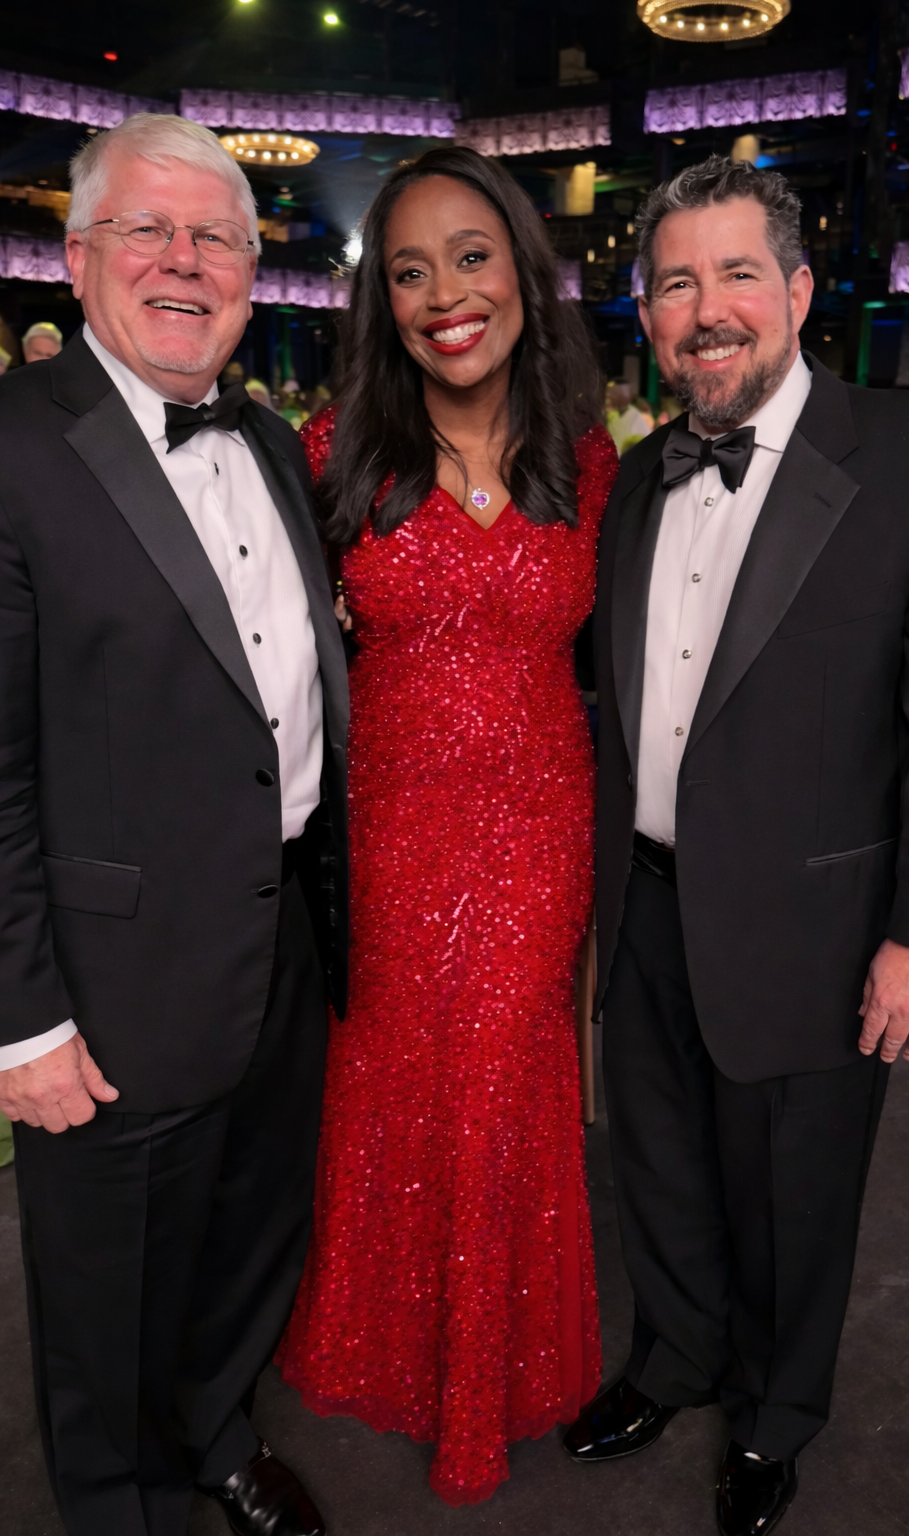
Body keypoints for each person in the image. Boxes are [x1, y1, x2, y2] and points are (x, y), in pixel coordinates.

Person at [563, 155, 909, 1535]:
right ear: (646, 314)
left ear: (801, 292)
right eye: (677, 283)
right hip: (641, 905)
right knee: (658, 1166)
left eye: (738, 275)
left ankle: (776, 1415)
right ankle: (677, 1357)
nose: (709, 309)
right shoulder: (640, 477)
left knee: (795, 1201)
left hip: (827, 931)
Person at [0, 113, 350, 1536]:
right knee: (102, 1297)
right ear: (79, 259)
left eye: (216, 237)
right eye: (148, 230)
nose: (184, 260)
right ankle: (120, 1503)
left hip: (284, 945)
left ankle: (213, 1436)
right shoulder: (14, 450)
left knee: (245, 1237)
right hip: (106, 979)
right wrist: (20, 1021)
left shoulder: (269, 441)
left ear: (255, 278)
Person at [277, 145, 617, 1505]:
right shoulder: (328, 454)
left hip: (542, 830)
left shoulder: (591, 465)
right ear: (381, 306)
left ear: (526, 276)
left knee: (506, 1087)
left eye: (470, 257)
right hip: (394, 834)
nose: (442, 295)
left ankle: (495, 1376)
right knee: (396, 1085)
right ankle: (402, 1352)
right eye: (407, 270)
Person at [606, 376, 653, 454]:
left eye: (612, 394)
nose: (608, 396)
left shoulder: (636, 418)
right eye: (608, 393)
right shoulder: (610, 416)